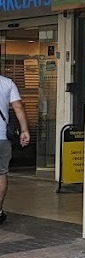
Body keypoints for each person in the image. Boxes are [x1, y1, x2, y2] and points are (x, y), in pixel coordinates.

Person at [0, 72, 30, 224]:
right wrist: (24, 131)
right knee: (1, 173)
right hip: (2, 137)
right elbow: (18, 107)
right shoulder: (7, 83)